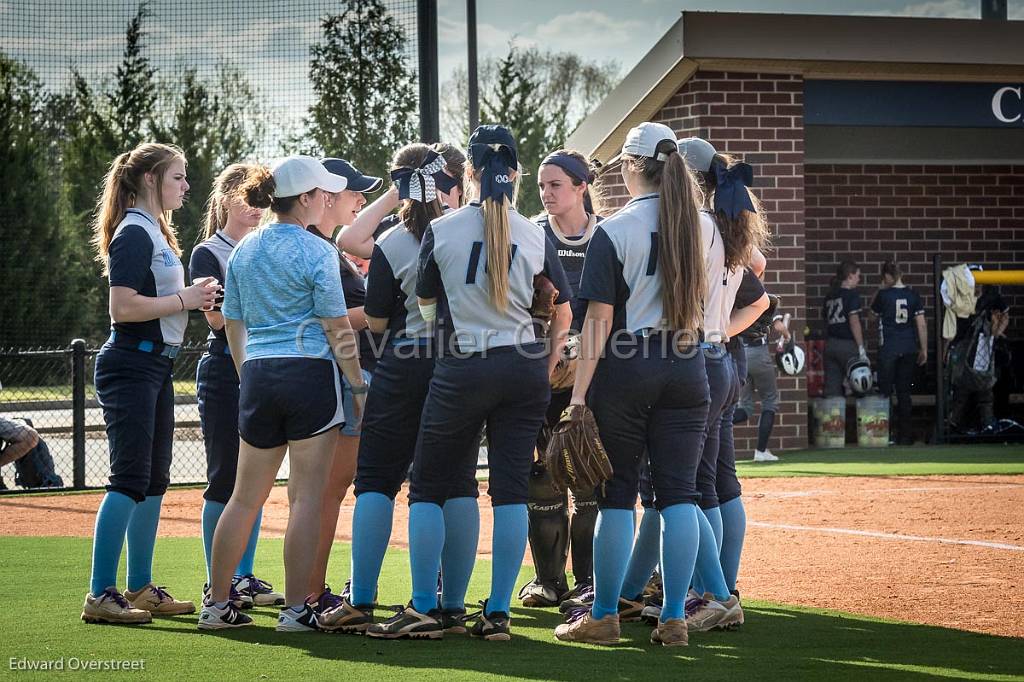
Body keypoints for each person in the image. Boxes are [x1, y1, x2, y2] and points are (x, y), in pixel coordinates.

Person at [366, 125, 571, 642]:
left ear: (471, 175)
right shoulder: (533, 229)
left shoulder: (447, 227)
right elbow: (563, 311)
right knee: (509, 493)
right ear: (517, 174)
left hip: (464, 363)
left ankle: (422, 608)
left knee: (429, 489)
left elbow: (429, 305)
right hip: (524, 366)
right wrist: (543, 366)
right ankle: (497, 613)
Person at [552, 122, 711, 648]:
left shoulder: (614, 229)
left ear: (632, 166)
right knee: (680, 497)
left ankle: (604, 616)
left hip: (629, 364)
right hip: (690, 364)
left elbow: (597, 321)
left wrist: (577, 398)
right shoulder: (704, 225)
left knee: (618, 496)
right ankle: (674, 618)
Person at [197, 156, 367, 632]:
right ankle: (296, 611)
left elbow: (233, 320)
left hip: (258, 375)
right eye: (323, 193)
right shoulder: (317, 251)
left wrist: (246, 369)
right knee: (305, 499)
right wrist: (358, 388)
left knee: (244, 497)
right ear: (307, 199)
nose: (329, 200)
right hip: (309, 377)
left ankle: (216, 605)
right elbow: (337, 328)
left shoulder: (246, 248)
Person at [319, 142, 478, 634]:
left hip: (404, 361)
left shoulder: (393, 240)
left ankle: (361, 599)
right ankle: (449, 605)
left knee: (376, 480)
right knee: (456, 484)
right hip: (464, 363)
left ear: (402, 183)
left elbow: (378, 318)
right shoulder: (475, 229)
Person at [83, 143, 219, 625]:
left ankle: (139, 587)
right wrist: (185, 298)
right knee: (128, 480)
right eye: (178, 178)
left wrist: (192, 299)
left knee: (154, 482)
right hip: (131, 365)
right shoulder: (135, 232)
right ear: (149, 181)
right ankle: (100, 593)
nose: (185, 186)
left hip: (155, 367)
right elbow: (122, 308)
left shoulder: (155, 231)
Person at [190, 164, 282, 610]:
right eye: (247, 197)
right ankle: (218, 581)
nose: (256, 208)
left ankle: (242, 575)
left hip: (261, 369)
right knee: (225, 480)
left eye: (261, 198)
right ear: (226, 197)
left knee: (256, 481)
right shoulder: (209, 251)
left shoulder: (267, 244)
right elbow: (216, 318)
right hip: (227, 371)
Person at [518, 149, 604, 609]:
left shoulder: (607, 233)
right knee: (542, 479)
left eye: (556, 185)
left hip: (596, 377)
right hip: (541, 376)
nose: (546, 194)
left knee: (590, 479)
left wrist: (584, 351)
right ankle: (548, 581)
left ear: (582, 187)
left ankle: (590, 582)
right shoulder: (530, 234)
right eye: (542, 185)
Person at [303, 158, 384, 613]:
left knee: (328, 490)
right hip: (341, 375)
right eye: (356, 193)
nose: (362, 200)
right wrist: (380, 311)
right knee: (329, 490)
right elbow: (324, 319)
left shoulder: (326, 247)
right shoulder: (317, 247)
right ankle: (311, 590)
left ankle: (312, 587)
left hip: (344, 372)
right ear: (327, 197)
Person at [870, 260, 927, 445]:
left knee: (886, 392)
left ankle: (886, 435)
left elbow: (871, 315)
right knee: (904, 392)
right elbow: (921, 324)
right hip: (909, 347)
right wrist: (923, 348)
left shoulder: (884, 295)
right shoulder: (913, 295)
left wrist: (879, 289)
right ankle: (905, 436)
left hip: (889, 348)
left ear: (887, 276)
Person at [735, 288, 790, 462]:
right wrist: (787, 336)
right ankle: (761, 451)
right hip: (758, 352)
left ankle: (717, 424)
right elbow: (779, 326)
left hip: (740, 353)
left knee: (745, 407)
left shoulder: (738, 294)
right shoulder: (763, 296)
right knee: (770, 401)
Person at [823, 261, 866, 397]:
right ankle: (865, 417)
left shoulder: (830, 296)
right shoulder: (852, 295)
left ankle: (834, 418)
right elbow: (854, 322)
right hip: (847, 345)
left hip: (831, 344)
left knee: (832, 388)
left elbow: (825, 318)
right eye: (857, 276)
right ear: (850, 276)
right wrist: (860, 347)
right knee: (861, 383)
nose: (859, 279)